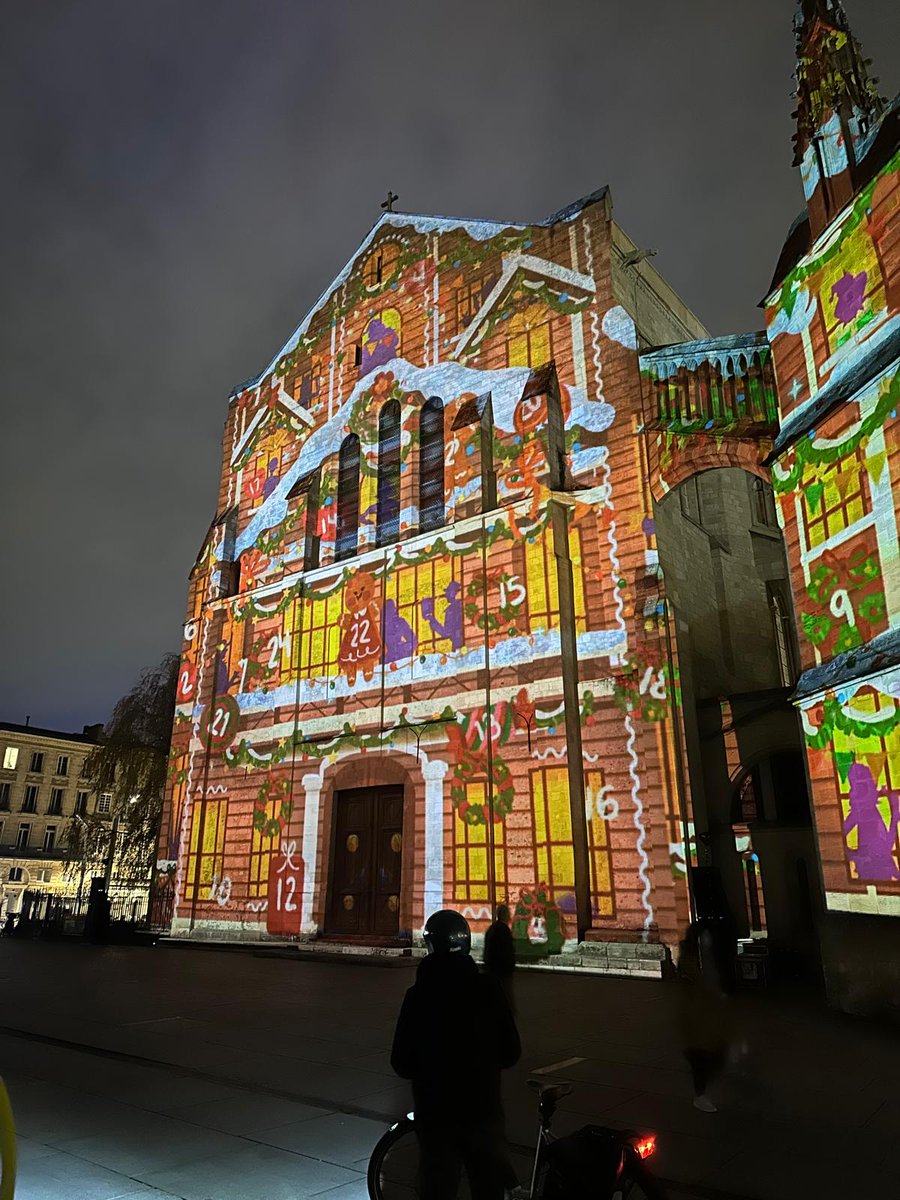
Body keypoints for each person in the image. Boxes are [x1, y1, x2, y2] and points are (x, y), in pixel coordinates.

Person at [391, 909, 521, 1199]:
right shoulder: (489, 989)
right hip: (484, 1113)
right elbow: (511, 1052)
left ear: (432, 945)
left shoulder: (418, 996)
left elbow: (401, 1061)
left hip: (437, 1117)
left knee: (438, 1186)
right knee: (488, 1187)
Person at [674, 922, 732, 1113]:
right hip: (697, 1017)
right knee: (702, 1056)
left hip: (705, 1015)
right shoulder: (691, 960)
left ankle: (702, 1091)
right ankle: (700, 1095)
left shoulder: (702, 958)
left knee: (710, 1054)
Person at [483, 903, 517, 1012]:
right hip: (502, 968)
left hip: (493, 967)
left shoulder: (492, 928)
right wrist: (510, 965)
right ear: (505, 915)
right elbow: (506, 951)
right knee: (505, 992)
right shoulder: (503, 930)